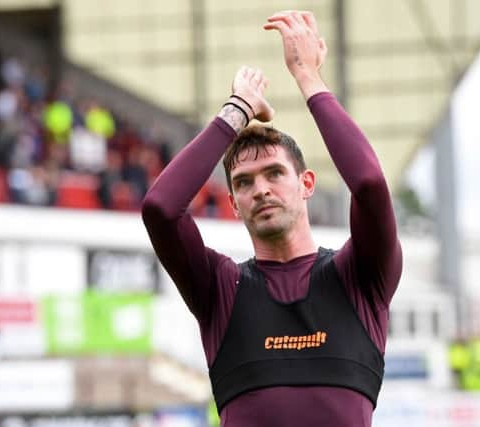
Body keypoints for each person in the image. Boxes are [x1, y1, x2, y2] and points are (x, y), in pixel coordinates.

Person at [142, 10, 402, 427]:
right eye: (244, 182)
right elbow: (160, 208)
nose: (260, 189)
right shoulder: (220, 289)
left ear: (307, 183)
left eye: (275, 173)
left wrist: (307, 76)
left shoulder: (359, 276)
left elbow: (370, 183)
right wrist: (238, 109)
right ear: (233, 202)